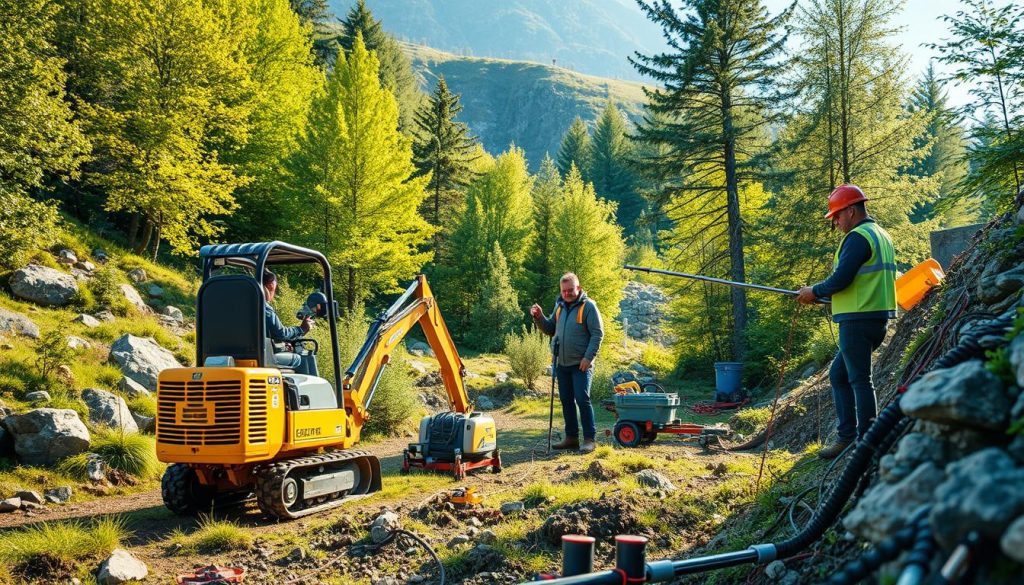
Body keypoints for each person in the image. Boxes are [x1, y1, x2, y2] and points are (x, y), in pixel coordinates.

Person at [796, 185, 897, 459]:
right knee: (839, 375)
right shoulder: (881, 235)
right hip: (874, 318)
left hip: (857, 320)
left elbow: (842, 278)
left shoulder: (858, 237)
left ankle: (865, 442)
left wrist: (813, 291)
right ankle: (847, 437)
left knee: (860, 380)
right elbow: (863, 280)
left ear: (851, 211)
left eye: (837, 217)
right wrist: (822, 295)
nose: (836, 222)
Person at [530, 272, 605, 453]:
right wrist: (539, 317)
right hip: (561, 364)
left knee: (582, 399)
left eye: (570, 290)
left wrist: (588, 358)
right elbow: (549, 329)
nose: (567, 294)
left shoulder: (588, 306)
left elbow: (597, 334)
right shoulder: (560, 306)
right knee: (566, 401)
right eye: (564, 291)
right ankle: (571, 438)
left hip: (581, 365)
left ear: (578, 288)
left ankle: (589, 439)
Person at [263, 270, 313, 346]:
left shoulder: (243, 305)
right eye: (274, 290)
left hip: (241, 352)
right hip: (260, 353)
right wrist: (301, 329)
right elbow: (281, 334)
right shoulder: (264, 308)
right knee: (298, 357)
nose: (274, 293)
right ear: (271, 286)